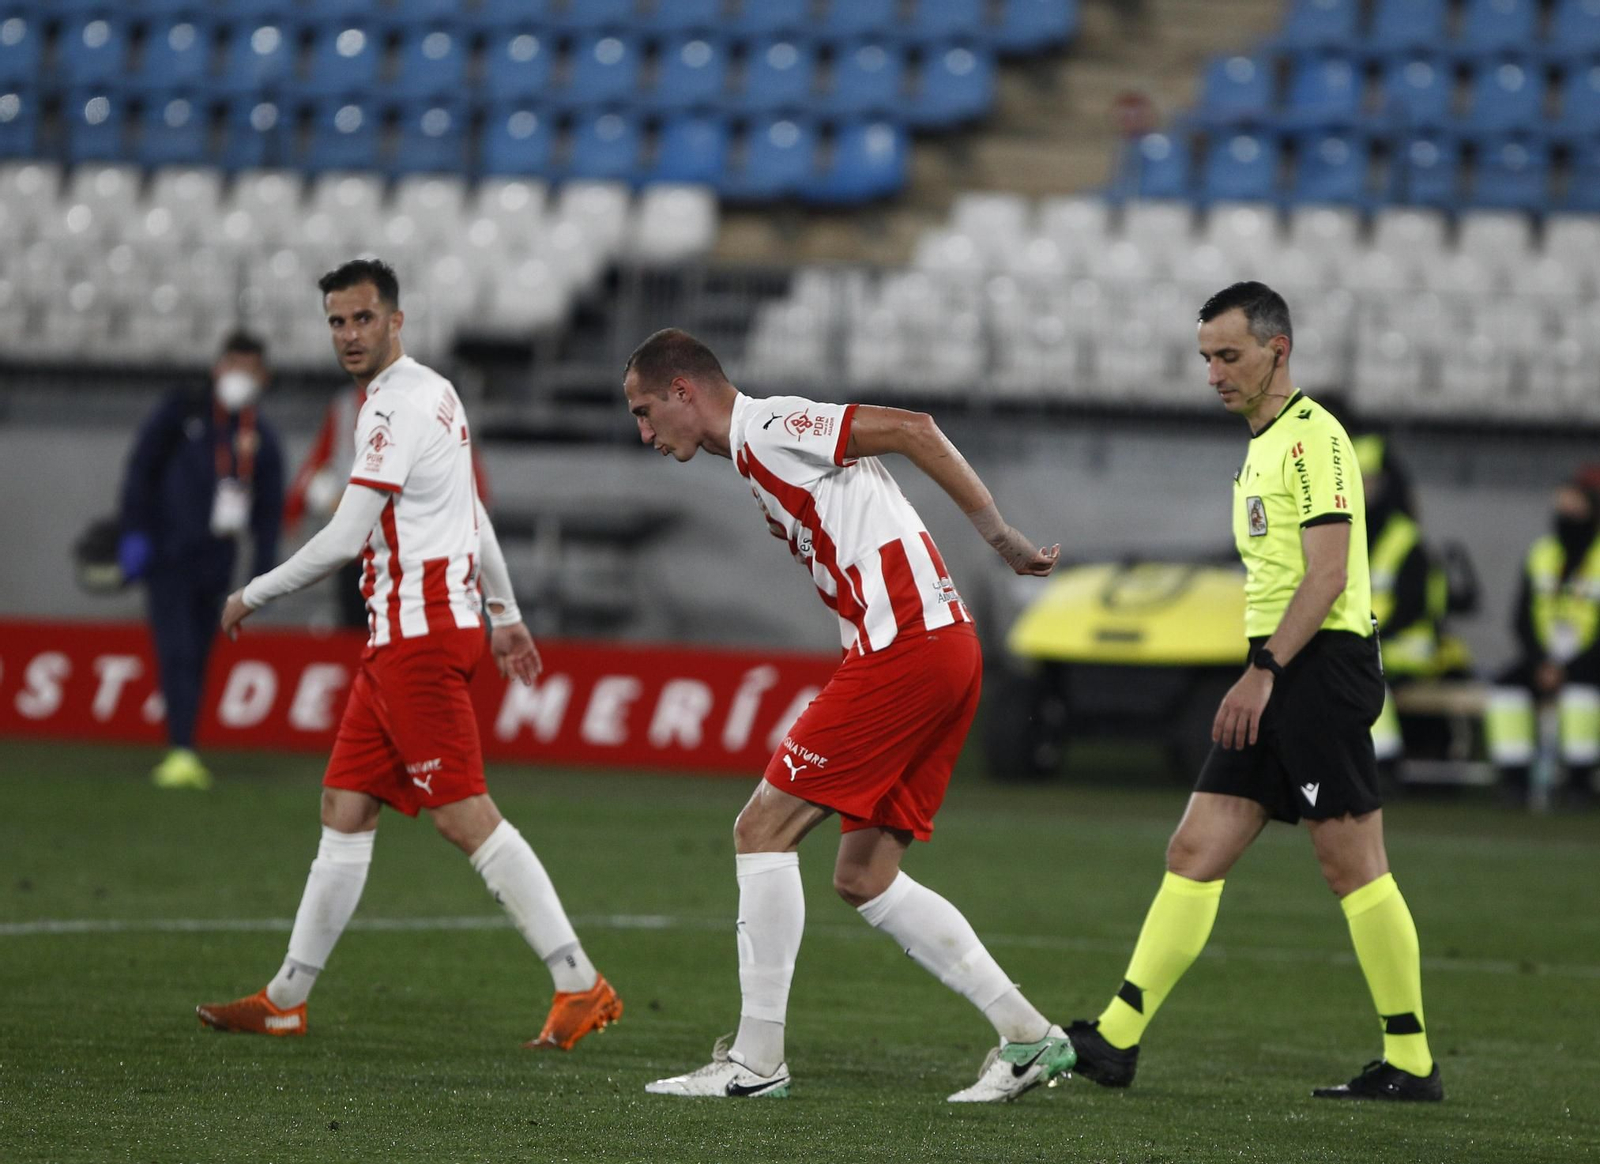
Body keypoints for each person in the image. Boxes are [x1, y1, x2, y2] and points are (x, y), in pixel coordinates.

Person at [622, 328, 1071, 1103]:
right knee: (865, 876)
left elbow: (914, 429)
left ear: (682, 392)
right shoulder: (756, 454)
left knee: (760, 829)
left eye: (644, 410)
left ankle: (757, 1062)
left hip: (906, 647)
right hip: (940, 646)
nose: (643, 432)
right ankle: (1030, 1038)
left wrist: (997, 533)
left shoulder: (769, 427)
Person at [195, 259, 621, 1051]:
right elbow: (473, 513)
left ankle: (578, 982)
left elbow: (347, 536)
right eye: (336, 322)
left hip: (418, 643)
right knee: (344, 808)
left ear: (396, 320)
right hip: (412, 636)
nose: (349, 335)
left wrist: (253, 593)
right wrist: (505, 611)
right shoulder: (437, 392)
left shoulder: (392, 408)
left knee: (467, 819)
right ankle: (286, 997)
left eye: (362, 319)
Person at [1066, 283, 1443, 1102]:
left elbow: (1330, 573)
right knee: (1194, 852)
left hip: (1316, 667)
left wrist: (1263, 672)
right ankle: (1115, 1040)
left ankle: (1411, 1061)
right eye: (1205, 359)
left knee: (1353, 866)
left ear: (1279, 349)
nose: (1214, 374)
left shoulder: (1313, 441)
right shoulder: (1264, 442)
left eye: (1228, 356)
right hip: (1281, 665)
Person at [118, 331, 284, 791]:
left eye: (249, 368)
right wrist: (134, 530)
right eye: (233, 364)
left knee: (200, 653)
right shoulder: (183, 410)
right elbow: (141, 469)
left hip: (217, 561)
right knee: (177, 650)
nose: (239, 376)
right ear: (217, 367)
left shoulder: (261, 438)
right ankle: (181, 749)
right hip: (168, 553)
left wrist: (266, 572)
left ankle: (184, 744)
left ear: (263, 377)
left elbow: (268, 512)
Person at [284, 382, 494, 630]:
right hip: (360, 553)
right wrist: (295, 511)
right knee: (359, 633)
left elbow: (467, 474)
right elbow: (318, 461)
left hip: (412, 556)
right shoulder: (345, 408)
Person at [1485, 466, 1600, 808]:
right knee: (1505, 688)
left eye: (1572, 503)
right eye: (1560, 503)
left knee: (1581, 695)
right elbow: (1521, 618)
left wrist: (1571, 667)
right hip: (1544, 659)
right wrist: (1541, 662)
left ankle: (1580, 783)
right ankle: (1514, 780)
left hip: (1590, 662)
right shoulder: (1542, 553)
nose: (1564, 510)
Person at [1354, 434, 1448, 776]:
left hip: (1408, 647)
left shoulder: (1406, 539)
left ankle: (1384, 765)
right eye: (1354, 478)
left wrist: (1367, 636)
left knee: (1358, 672)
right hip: (1371, 642)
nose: (1361, 488)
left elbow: (1413, 607)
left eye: (1368, 479)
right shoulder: (1349, 532)